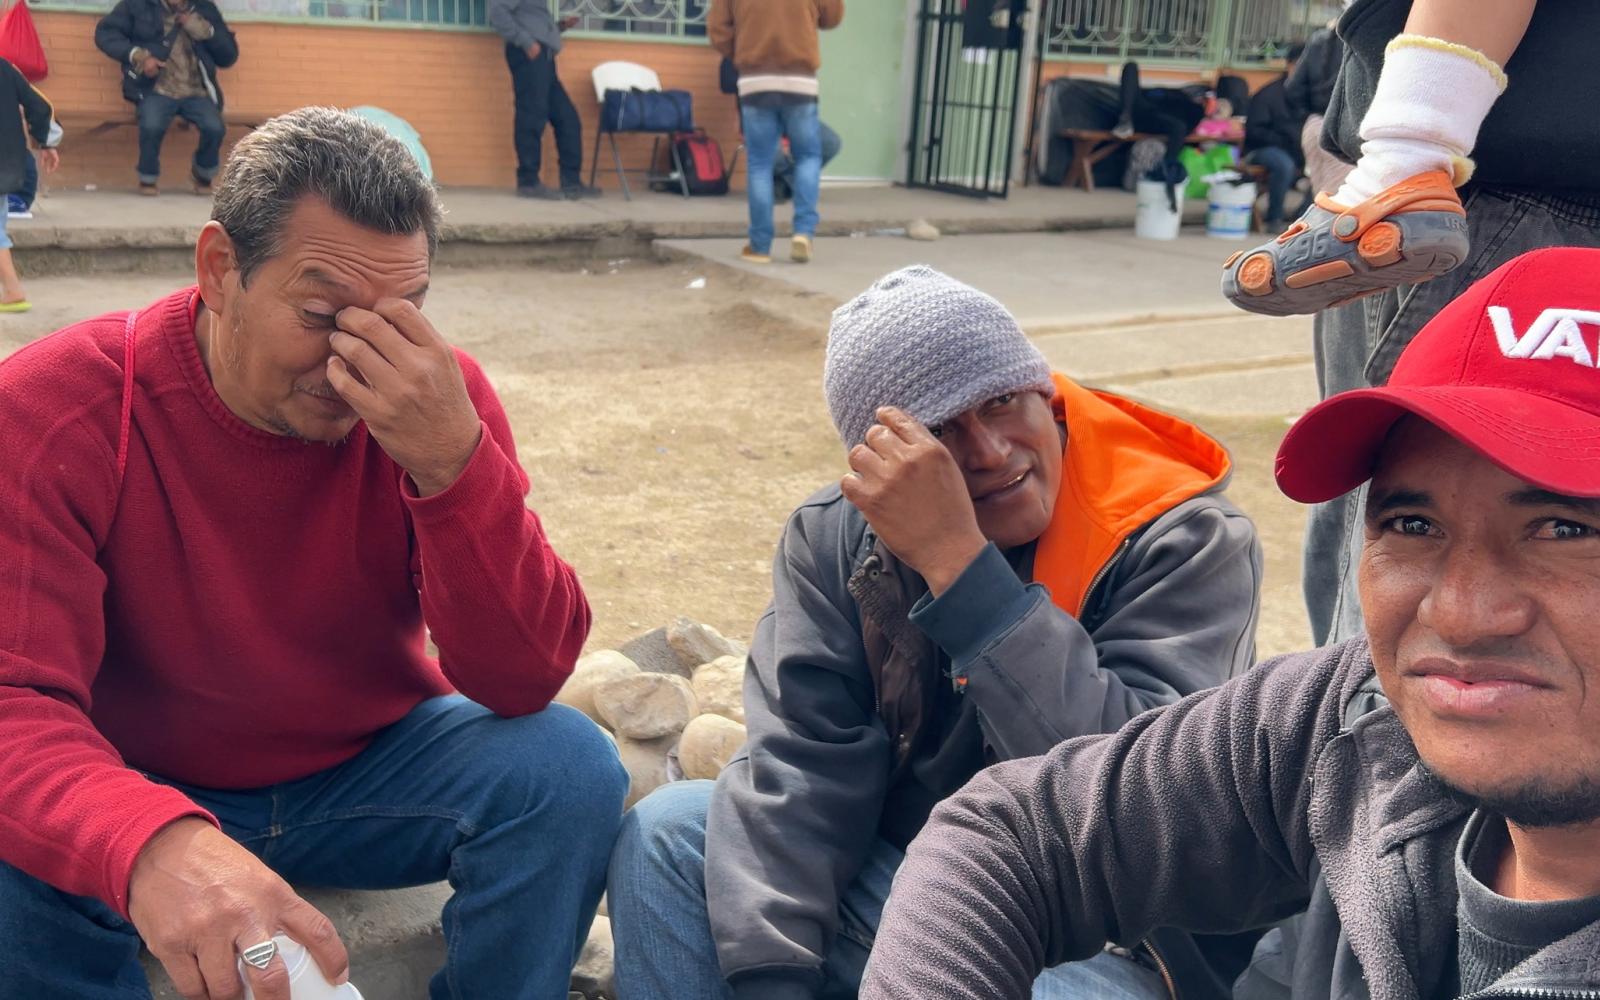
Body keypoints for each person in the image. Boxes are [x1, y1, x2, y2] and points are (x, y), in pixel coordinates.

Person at [0, 107, 626, 999]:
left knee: (566, 767)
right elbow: (12, 701)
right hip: (135, 768)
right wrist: (148, 840)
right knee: (16, 858)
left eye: (403, 315)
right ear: (220, 270)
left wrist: (453, 464)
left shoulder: (435, 402)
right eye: (322, 313)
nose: (356, 363)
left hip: (366, 768)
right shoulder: (61, 407)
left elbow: (524, 674)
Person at [860, 246, 1600, 1000]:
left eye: (1567, 530)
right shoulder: (1353, 714)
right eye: (1413, 523)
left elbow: (1081, 747)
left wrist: (961, 570)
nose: (1460, 614)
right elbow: (1013, 831)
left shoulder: (1178, 537)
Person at [608, 266, 1264, 1000]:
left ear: (1047, 393)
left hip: (1104, 944)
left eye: (1003, 402)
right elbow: (803, 767)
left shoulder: (1183, 539)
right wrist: (774, 976)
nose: (987, 452)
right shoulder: (838, 539)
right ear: (885, 460)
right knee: (671, 831)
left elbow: (1137, 810)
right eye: (940, 431)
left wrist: (961, 568)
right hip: (912, 880)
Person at [1224, 0, 1539, 314]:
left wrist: (1407, 151)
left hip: (1437, 187)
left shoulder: (1320, 42)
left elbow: (1296, 93)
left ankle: (1402, 168)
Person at [709, 0, 843, 265]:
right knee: (807, 156)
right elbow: (832, 17)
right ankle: (803, 233)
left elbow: (718, 30)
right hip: (800, 82)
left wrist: (742, 54)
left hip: (754, 81)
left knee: (759, 164)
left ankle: (759, 247)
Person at [94, 0, 237, 197]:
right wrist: (139, 56)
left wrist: (207, 31)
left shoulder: (203, 8)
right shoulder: (137, 5)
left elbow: (228, 56)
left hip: (196, 90)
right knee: (151, 124)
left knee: (215, 127)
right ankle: (148, 177)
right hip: (156, 88)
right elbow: (105, 34)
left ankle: (203, 174)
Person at [488, 0, 599, 200]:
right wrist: (527, 43)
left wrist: (559, 27)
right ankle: (528, 182)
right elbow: (497, 11)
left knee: (567, 118)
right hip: (528, 56)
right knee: (531, 116)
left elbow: (532, 22)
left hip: (544, 60)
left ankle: (571, 182)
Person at [0, 56, 55, 312]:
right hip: (9, 162)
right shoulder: (7, 68)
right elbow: (39, 106)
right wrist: (46, 142)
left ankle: (13, 290)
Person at [1242, 43, 1307, 234]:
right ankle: (1274, 218)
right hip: (1261, 151)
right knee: (1283, 163)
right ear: (1290, 65)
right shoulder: (1268, 94)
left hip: (1296, 150)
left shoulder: (1308, 95)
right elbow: (1254, 131)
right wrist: (1287, 139)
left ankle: (1301, 219)